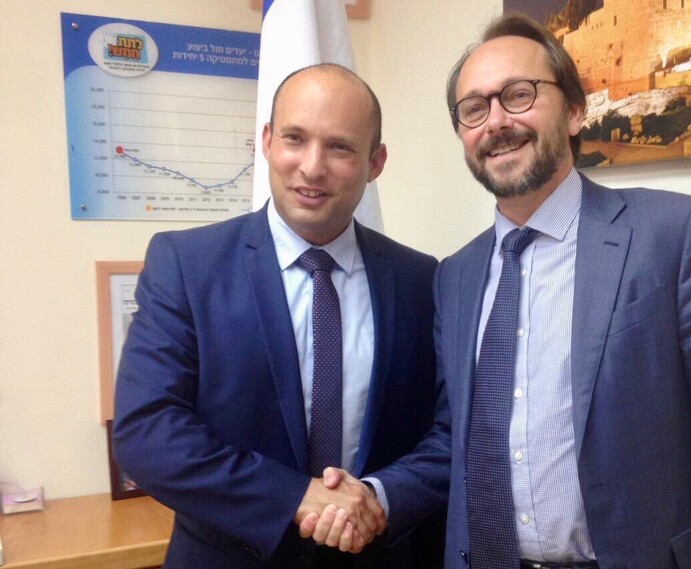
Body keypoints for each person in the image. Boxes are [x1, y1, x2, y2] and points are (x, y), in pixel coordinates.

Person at [313, 13, 691, 569]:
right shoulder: (456, 276)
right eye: (474, 109)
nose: (495, 122)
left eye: (518, 95)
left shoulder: (672, 235)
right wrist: (376, 495)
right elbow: (456, 438)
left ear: (573, 109)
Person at [112, 63, 445, 568]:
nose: (312, 167)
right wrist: (296, 497)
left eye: (340, 147)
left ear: (375, 163)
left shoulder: (421, 280)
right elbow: (148, 432)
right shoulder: (186, 265)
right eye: (295, 138)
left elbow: (446, 433)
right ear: (266, 141)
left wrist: (379, 494)